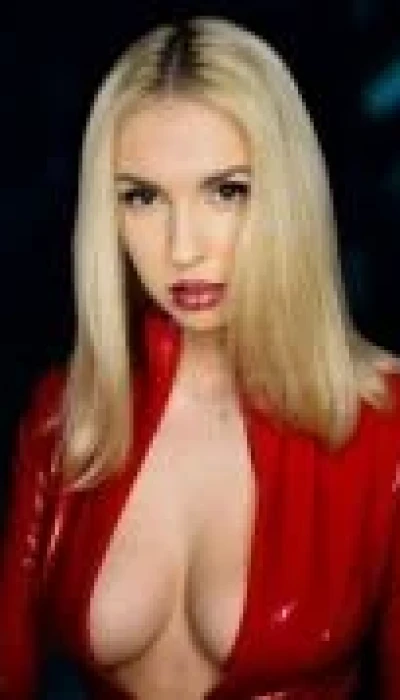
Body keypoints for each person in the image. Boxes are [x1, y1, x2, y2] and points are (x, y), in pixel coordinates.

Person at [1, 15, 399, 700]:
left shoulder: (386, 430)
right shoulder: (66, 416)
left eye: (226, 191)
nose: (183, 247)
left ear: (288, 196)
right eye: (143, 197)